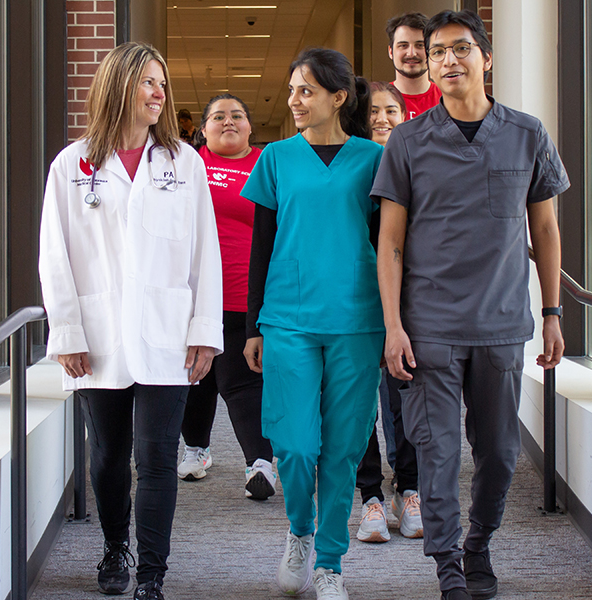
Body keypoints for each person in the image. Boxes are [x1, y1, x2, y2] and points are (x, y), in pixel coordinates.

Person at [372, 10, 568, 600]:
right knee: (436, 452)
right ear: (427, 66)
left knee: (502, 455)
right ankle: (450, 567)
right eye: (436, 52)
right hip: (430, 324)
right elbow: (390, 241)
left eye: (460, 49)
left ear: (486, 58)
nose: (448, 60)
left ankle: (479, 541)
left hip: (503, 323)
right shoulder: (408, 140)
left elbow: (547, 231)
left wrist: (554, 313)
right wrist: (392, 326)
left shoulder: (528, 133)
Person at [38, 42, 223, 600]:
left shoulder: (183, 163)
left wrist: (204, 332)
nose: (160, 94)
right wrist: (67, 331)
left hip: (169, 331)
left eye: (162, 84)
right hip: (98, 335)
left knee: (159, 455)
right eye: (148, 82)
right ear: (118, 87)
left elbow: (203, 254)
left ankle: (152, 573)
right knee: (110, 454)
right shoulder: (73, 165)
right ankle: (115, 548)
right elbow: (55, 255)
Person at [241, 47, 384, 600]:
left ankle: (329, 563)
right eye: (293, 90)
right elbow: (262, 245)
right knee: (295, 445)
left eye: (305, 91)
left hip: (357, 317)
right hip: (288, 318)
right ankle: (299, 532)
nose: (294, 101)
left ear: (338, 97)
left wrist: (396, 322)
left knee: (344, 448)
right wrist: (254, 325)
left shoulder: (372, 160)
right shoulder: (275, 158)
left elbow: (388, 244)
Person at [177, 93, 277, 501]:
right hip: (192, 295)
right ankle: (197, 449)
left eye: (238, 115)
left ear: (251, 127)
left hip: (244, 294)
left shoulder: (266, 166)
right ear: (203, 129)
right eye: (218, 116)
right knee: (196, 378)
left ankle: (260, 464)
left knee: (242, 382)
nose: (229, 122)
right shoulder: (187, 164)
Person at [355, 81, 423, 545]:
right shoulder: (353, 167)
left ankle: (410, 489)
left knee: (407, 399)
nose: (382, 118)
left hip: (410, 301)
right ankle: (370, 498)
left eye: (392, 110)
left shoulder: (417, 162)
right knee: (360, 406)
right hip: (357, 302)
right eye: (374, 111)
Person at [386, 12, 442, 119]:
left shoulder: (447, 100)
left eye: (420, 45)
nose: (411, 53)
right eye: (403, 45)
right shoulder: (376, 102)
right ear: (390, 52)